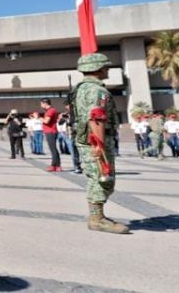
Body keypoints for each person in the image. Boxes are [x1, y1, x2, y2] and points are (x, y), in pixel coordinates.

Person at [71, 53, 128, 234]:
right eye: (105, 66)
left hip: (87, 139)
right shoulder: (97, 91)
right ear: (98, 68)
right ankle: (97, 219)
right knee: (100, 177)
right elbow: (96, 118)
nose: (108, 69)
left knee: (98, 176)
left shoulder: (81, 89)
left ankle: (98, 216)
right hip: (95, 140)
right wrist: (99, 145)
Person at [41, 98, 62, 171]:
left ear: (45, 103)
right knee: (53, 149)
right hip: (50, 131)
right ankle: (57, 166)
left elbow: (46, 121)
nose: (41, 105)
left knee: (53, 149)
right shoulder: (50, 110)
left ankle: (54, 165)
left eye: (41, 104)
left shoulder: (50, 111)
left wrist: (40, 119)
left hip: (51, 132)